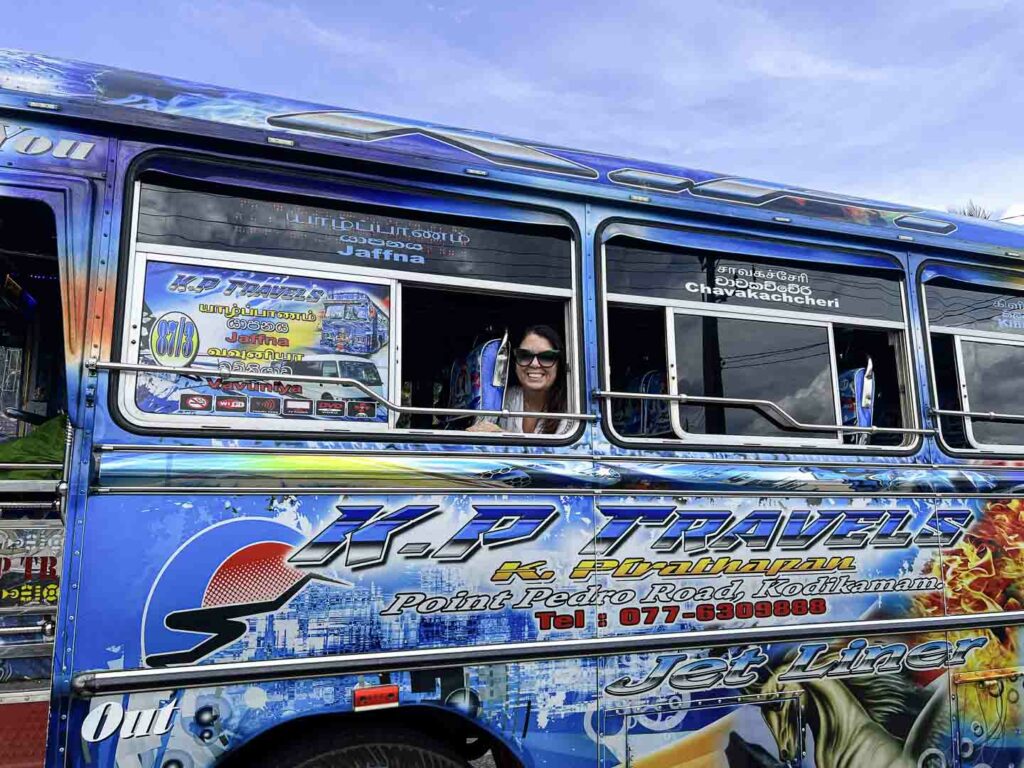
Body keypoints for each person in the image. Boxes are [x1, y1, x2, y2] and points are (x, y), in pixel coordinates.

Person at [467, 324, 570, 434]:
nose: (535, 364)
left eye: (547, 357)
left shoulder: (572, 411)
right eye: (524, 355)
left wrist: (503, 436)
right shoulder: (503, 399)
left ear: (559, 365)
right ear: (515, 362)